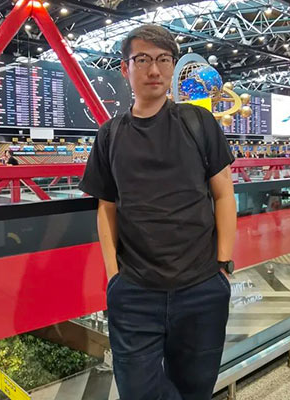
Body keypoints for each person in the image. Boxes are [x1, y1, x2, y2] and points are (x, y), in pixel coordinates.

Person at [79, 24, 236, 400]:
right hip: (135, 293)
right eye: (143, 60)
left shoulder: (198, 123)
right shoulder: (110, 135)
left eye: (164, 60)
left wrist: (223, 263)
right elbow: (106, 208)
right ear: (125, 68)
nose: (154, 70)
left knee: (196, 390)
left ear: (173, 66)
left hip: (201, 288)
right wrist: (114, 277)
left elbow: (224, 195)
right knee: (138, 391)